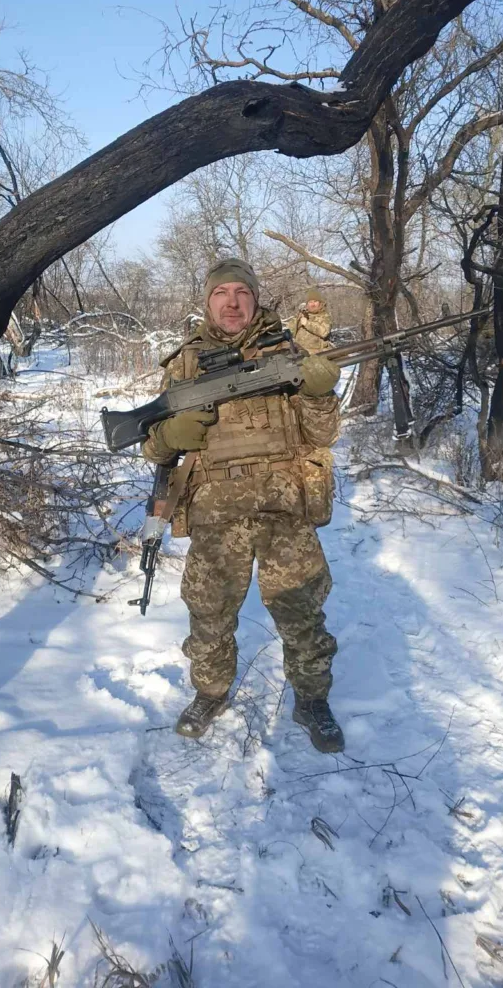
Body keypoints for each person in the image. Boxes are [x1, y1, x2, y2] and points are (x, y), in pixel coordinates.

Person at [142, 258, 345, 753]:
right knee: (209, 615)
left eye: (241, 292)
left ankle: (312, 700)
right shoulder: (184, 365)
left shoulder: (288, 352)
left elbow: (323, 434)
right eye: (220, 293)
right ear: (207, 301)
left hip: (283, 511)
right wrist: (170, 434)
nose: (231, 302)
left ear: (255, 299)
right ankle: (210, 694)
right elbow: (150, 445)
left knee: (302, 614)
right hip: (215, 516)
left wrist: (319, 395)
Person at [287, 287, 333, 354]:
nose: (313, 304)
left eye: (315, 301)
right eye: (310, 302)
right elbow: (289, 333)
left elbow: (324, 332)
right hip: (299, 352)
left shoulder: (324, 316)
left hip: (317, 353)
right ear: (307, 304)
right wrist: (297, 321)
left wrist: (307, 323)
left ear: (320, 303)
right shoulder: (302, 314)